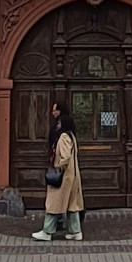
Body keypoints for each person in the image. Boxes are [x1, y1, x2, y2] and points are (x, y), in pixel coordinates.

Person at [33, 103, 83, 243]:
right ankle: (75, 231)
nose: (58, 124)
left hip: (63, 176)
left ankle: (47, 231)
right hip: (71, 176)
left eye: (60, 122)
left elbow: (65, 157)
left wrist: (59, 165)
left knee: (54, 203)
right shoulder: (72, 137)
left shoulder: (64, 138)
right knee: (72, 205)